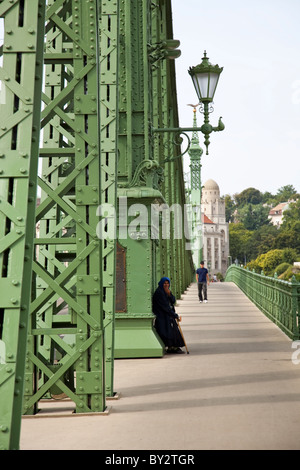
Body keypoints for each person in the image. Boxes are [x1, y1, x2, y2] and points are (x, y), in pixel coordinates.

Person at [152, 277, 185, 354]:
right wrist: (175, 315)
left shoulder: (166, 291)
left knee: (173, 329)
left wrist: (169, 294)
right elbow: (165, 307)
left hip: (167, 314)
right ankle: (171, 347)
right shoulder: (159, 292)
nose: (166, 285)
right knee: (168, 331)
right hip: (162, 315)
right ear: (161, 283)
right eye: (164, 283)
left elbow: (173, 301)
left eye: (167, 283)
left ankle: (172, 347)